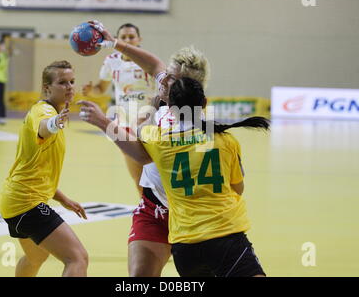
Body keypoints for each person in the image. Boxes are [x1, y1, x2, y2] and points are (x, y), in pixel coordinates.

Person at [80, 76, 269, 277]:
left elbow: (139, 129)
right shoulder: (226, 140)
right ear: (204, 103)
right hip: (225, 236)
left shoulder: (160, 140)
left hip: (185, 246)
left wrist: (150, 105)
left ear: (169, 107)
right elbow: (238, 189)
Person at [80, 20, 209, 277]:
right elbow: (154, 65)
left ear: (183, 87)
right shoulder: (168, 95)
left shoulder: (185, 124)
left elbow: (142, 153)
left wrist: (108, 123)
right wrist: (112, 42)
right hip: (154, 208)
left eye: (170, 77)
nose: (162, 77)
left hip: (187, 212)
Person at [0, 60, 88, 277]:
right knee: (77, 258)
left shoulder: (50, 112)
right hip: (26, 204)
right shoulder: (43, 111)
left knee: (36, 257)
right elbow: (43, 127)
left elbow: (39, 169)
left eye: (72, 82)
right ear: (47, 88)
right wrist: (56, 122)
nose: (69, 87)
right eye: (62, 82)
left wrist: (63, 199)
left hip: (15, 201)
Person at [82, 23, 157, 198]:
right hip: (125, 126)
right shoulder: (111, 62)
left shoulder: (147, 61)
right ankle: (148, 215)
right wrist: (91, 90)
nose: (128, 40)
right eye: (123, 37)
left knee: (155, 178)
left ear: (139, 40)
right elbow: (101, 88)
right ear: (117, 39)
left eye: (131, 36)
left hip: (149, 126)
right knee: (139, 181)